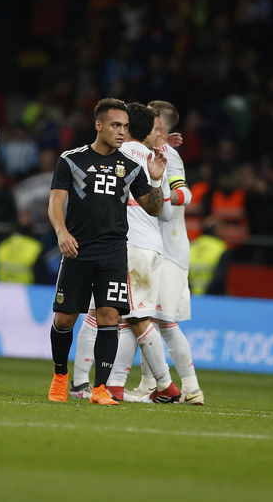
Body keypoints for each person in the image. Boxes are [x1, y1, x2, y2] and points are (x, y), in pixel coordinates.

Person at [46, 98, 166, 406]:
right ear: (98, 125)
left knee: (109, 316)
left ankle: (100, 389)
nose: (122, 132)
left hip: (113, 252)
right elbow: (56, 203)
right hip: (77, 250)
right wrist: (62, 233)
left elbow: (154, 209)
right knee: (65, 320)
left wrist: (154, 179)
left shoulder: (131, 167)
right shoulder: (71, 160)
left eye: (126, 127)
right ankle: (60, 376)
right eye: (115, 125)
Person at [103, 103, 182, 403]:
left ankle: (166, 385)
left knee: (136, 318)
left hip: (131, 246)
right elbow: (163, 213)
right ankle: (116, 385)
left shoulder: (117, 155)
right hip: (152, 248)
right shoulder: (153, 159)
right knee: (128, 318)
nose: (156, 135)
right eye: (153, 129)